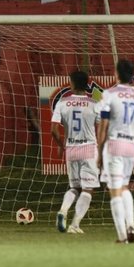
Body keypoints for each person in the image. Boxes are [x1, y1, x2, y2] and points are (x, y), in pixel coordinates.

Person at [97, 59, 134, 244]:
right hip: (131, 147)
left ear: (116, 73)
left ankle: (121, 236)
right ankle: (131, 226)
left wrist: (99, 150)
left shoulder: (109, 94)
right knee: (125, 187)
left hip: (114, 146)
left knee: (114, 190)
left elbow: (103, 125)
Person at [51, 71, 100, 234]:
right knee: (87, 189)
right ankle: (75, 224)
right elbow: (102, 127)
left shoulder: (62, 103)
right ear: (86, 84)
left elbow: (54, 130)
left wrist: (61, 145)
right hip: (89, 149)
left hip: (71, 149)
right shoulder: (94, 104)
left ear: (72, 83)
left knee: (74, 187)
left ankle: (63, 210)